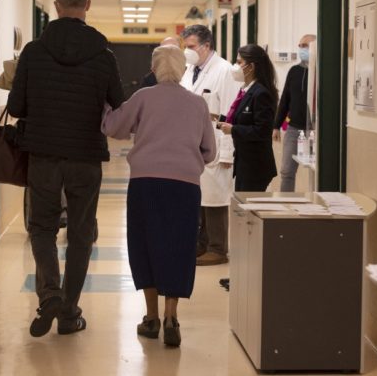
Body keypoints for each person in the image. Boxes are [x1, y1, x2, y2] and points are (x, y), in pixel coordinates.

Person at [7, 0, 124, 337]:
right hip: (86, 157)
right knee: (80, 233)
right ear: (86, 5)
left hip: (43, 154)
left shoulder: (33, 52)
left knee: (41, 227)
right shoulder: (104, 56)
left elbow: (15, 107)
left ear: (56, 6)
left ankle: (50, 295)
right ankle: (70, 312)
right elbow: (118, 105)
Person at [101, 45, 216, 347]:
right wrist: (187, 163)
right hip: (184, 187)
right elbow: (210, 151)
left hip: (145, 183)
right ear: (182, 70)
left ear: (153, 70)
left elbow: (114, 128)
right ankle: (170, 316)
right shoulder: (197, 104)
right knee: (178, 246)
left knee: (145, 244)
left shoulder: (143, 97)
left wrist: (102, 104)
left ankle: (150, 317)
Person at [179, 24, 240, 266]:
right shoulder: (190, 69)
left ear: (206, 46)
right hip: (192, 143)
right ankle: (201, 244)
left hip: (215, 141)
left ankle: (218, 248)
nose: (188, 51)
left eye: (192, 46)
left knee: (216, 197)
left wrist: (227, 151)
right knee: (200, 196)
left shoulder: (224, 71)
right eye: (186, 46)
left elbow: (229, 112)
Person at [217, 44, 278, 192]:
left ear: (250, 67)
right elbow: (242, 117)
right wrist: (219, 118)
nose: (235, 66)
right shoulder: (246, 89)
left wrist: (233, 130)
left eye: (239, 62)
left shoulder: (261, 93)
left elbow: (262, 131)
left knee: (248, 209)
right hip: (245, 162)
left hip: (255, 165)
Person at [272, 34, 316, 192]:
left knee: (316, 172)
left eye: (305, 45)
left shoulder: (322, 71)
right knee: (287, 172)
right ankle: (286, 205)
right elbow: (285, 99)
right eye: (300, 45)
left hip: (315, 131)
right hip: (294, 129)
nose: (301, 49)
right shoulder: (294, 71)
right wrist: (276, 125)